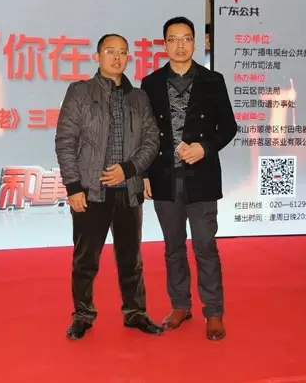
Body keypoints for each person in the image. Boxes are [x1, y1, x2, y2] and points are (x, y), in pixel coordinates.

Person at [55, 33, 162, 340]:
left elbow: (151, 140)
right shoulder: (80, 92)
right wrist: (73, 187)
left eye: (123, 52)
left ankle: (135, 312)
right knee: (85, 260)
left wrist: (128, 170)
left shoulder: (139, 98)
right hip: (91, 192)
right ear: (98, 56)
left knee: (131, 259)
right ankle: (82, 315)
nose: (117, 58)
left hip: (128, 190)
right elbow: (65, 141)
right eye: (110, 51)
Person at [141, 17, 238, 341]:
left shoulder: (213, 80)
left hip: (202, 178)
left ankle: (214, 311)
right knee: (173, 247)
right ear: (164, 44)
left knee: (205, 246)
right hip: (164, 178)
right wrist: (144, 173)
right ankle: (180, 305)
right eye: (173, 39)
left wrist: (204, 148)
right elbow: (145, 133)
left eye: (186, 38)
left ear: (195, 43)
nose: (180, 45)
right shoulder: (151, 83)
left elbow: (228, 127)